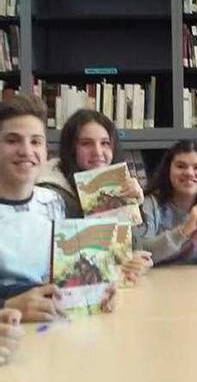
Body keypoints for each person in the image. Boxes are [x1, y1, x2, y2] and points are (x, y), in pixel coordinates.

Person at [0, 94, 114, 322]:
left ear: (45, 150)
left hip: (55, 327)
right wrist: (7, 304)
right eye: (13, 140)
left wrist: (97, 289)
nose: (26, 150)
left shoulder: (54, 202)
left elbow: (67, 272)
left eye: (36, 141)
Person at [37, 109, 152, 283]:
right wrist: (117, 267)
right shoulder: (51, 193)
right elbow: (64, 264)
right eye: (86, 143)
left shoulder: (112, 185)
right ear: (71, 149)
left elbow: (131, 250)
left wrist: (133, 206)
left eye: (105, 143)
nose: (98, 152)